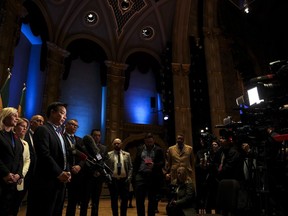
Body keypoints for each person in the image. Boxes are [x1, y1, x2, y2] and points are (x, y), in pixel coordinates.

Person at [26, 102, 71, 216]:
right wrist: (59, 173)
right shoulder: (43, 130)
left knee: (57, 211)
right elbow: (44, 154)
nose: (65, 117)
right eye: (62, 113)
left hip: (60, 182)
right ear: (53, 112)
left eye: (66, 114)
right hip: (46, 181)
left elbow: (66, 155)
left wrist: (67, 171)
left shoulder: (61, 134)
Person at [133, 133, 165, 216]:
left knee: (152, 199)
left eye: (151, 142)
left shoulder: (159, 150)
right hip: (141, 175)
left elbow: (162, 163)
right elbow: (136, 162)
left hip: (153, 176)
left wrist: (154, 165)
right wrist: (134, 175)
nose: (149, 144)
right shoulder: (140, 148)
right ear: (145, 141)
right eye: (148, 142)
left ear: (153, 141)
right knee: (139, 199)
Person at [0, 107, 23, 216]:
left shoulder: (16, 138)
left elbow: (20, 159)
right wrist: (5, 173)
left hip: (12, 182)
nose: (17, 118)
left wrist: (18, 174)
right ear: (5, 116)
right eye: (14, 115)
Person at [80, 128, 108, 216]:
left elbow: (105, 161)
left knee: (96, 202)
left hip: (98, 178)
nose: (97, 137)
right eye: (95, 135)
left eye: (99, 135)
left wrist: (99, 172)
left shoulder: (103, 148)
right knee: (84, 201)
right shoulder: (84, 148)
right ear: (91, 136)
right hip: (87, 177)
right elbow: (83, 162)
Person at [106, 138, 133, 216]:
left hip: (124, 181)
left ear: (121, 144)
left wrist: (129, 178)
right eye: (115, 143)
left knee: (124, 200)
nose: (116, 145)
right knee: (114, 200)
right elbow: (106, 167)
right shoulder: (109, 154)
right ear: (113, 145)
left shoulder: (127, 154)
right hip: (113, 180)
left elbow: (131, 167)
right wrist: (108, 177)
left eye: (118, 143)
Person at [64, 119, 85, 216]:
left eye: (76, 126)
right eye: (72, 125)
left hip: (77, 174)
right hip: (64, 172)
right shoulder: (61, 137)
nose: (74, 127)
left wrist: (79, 166)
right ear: (66, 125)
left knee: (73, 201)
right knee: (60, 200)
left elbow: (84, 156)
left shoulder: (79, 140)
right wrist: (70, 168)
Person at [11, 118, 31, 216]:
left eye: (26, 127)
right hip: (8, 177)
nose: (24, 129)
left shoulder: (25, 143)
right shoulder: (8, 139)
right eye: (22, 126)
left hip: (19, 178)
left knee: (15, 205)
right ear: (15, 126)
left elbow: (27, 160)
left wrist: (21, 174)